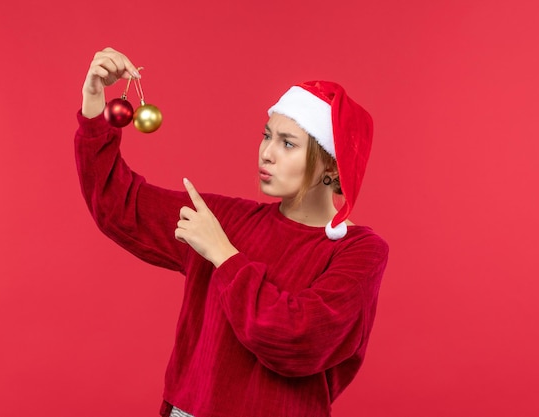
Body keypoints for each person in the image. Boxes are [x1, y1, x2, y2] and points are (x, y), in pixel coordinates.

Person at [75, 47, 389, 417]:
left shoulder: (359, 251)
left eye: (287, 143)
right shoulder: (224, 218)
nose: (266, 153)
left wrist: (222, 254)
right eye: (266, 135)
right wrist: (94, 101)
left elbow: (297, 338)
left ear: (332, 170)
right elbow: (119, 204)